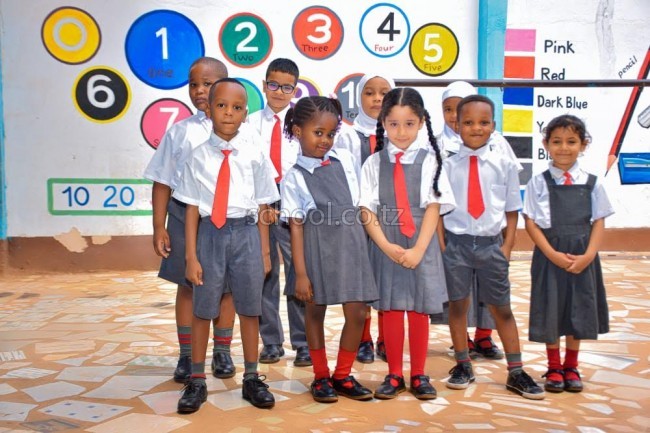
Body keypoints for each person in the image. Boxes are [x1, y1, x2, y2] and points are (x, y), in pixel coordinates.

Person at [174, 78, 279, 413]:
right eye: (221, 105)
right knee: (203, 309)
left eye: (237, 107)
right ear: (209, 108)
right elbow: (192, 210)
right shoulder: (197, 156)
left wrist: (265, 252)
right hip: (210, 235)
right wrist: (191, 256)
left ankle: (252, 378)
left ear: (245, 113)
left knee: (249, 308)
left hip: (247, 235)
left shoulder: (255, 154)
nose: (229, 113)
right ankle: (197, 380)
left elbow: (264, 206)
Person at [442, 94, 545, 400]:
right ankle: (463, 364)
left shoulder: (504, 163)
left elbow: (512, 208)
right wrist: (443, 245)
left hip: (491, 245)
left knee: (502, 308)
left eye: (484, 122)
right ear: (457, 125)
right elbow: (438, 206)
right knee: (458, 306)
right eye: (469, 122)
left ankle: (516, 371)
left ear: (493, 125)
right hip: (457, 245)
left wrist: (507, 246)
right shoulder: (446, 164)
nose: (476, 128)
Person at [143, 57, 237, 384]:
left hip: (228, 220)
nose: (199, 90)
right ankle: (186, 355)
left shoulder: (242, 132)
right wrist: (159, 226)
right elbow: (162, 181)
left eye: (207, 84)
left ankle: (222, 351)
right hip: (185, 217)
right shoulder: (180, 132)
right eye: (193, 84)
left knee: (226, 288)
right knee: (187, 286)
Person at [359, 87, 455, 400]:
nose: (401, 132)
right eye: (394, 124)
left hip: (420, 242)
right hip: (386, 241)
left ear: (422, 122)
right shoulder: (373, 163)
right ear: (383, 123)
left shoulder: (431, 161)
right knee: (390, 308)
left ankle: (419, 374)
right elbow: (366, 210)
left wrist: (419, 250)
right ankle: (394, 374)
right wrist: (386, 246)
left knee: (418, 309)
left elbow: (433, 208)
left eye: (409, 124)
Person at [281, 96, 378, 403]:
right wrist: (300, 274)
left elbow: (360, 203)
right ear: (298, 131)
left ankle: (343, 375)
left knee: (358, 312)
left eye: (331, 133)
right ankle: (321, 376)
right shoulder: (293, 177)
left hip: (351, 244)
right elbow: (296, 227)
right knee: (315, 312)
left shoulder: (345, 160)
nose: (325, 140)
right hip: (316, 250)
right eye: (318, 132)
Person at [523, 114, 613, 393]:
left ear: (583, 145)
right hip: (550, 257)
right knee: (551, 307)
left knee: (578, 308)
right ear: (546, 144)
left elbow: (599, 221)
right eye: (557, 141)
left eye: (571, 141)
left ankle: (571, 366)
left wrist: (588, 256)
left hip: (582, 257)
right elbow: (531, 222)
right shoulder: (538, 182)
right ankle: (553, 366)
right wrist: (551, 253)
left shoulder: (593, 183)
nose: (564, 148)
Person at [247, 58, 310, 367]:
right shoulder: (249, 124)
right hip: (260, 202)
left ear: (295, 90)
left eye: (286, 87)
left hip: (293, 202)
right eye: (273, 84)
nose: (279, 92)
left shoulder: (300, 126)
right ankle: (271, 341)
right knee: (265, 271)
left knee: (299, 271)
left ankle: (303, 342)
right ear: (264, 85)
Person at [335, 73, 395, 363]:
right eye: (369, 93)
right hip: (357, 219)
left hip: (391, 219)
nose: (377, 99)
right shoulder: (346, 136)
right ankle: (363, 338)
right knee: (360, 280)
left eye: (384, 93)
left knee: (387, 278)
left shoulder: (399, 134)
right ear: (358, 97)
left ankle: (386, 338)